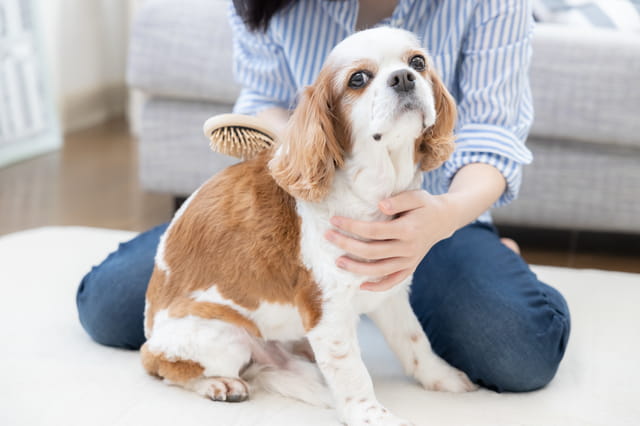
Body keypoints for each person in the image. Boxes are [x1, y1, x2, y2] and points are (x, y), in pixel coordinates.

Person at [76, 0, 571, 393]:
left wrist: (446, 216)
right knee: (109, 305)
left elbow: (491, 133)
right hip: (302, 212)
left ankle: (484, 261)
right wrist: (310, 150)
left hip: (438, 214)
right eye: (362, 79)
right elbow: (262, 100)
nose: (402, 79)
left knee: (518, 349)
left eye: (415, 65)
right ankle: (338, 306)